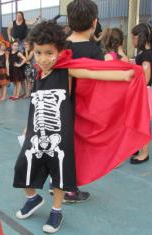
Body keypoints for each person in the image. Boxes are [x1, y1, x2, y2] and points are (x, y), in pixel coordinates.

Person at [13, 21, 134, 234]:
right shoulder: (39, 75)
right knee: (22, 166)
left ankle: (57, 210)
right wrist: (27, 125)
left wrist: (122, 75)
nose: (42, 58)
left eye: (49, 53)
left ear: (60, 51)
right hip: (36, 132)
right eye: (38, 52)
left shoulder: (65, 71)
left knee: (59, 173)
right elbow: (36, 103)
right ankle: (32, 198)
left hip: (60, 135)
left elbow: (93, 72)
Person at [59, 0, 104, 203]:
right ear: (94, 21)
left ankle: (58, 185)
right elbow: (101, 83)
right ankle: (70, 189)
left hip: (59, 104)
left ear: (69, 21)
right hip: (83, 107)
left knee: (61, 145)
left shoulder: (60, 46)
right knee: (75, 148)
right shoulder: (94, 51)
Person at [130, 23, 152, 165]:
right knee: (137, 122)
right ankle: (137, 147)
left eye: (134, 38)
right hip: (141, 92)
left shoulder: (146, 55)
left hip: (144, 93)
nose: (132, 41)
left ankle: (144, 152)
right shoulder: (142, 54)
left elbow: (146, 78)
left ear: (141, 38)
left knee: (144, 124)